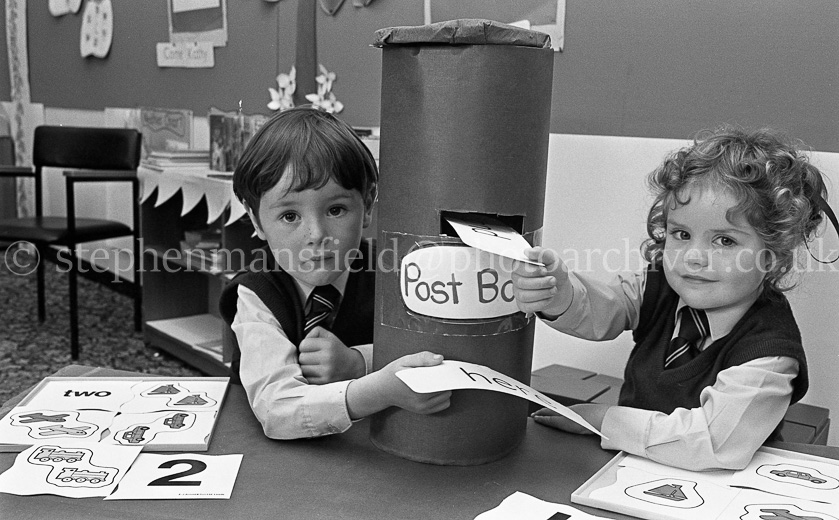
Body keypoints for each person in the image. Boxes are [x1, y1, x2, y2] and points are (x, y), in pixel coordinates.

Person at [512, 126, 834, 470]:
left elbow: (711, 441)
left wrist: (604, 419)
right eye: (681, 234)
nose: (693, 257)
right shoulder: (659, 286)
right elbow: (603, 308)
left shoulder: (770, 351)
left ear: (771, 257)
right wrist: (558, 294)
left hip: (720, 484)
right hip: (628, 465)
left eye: (725, 240)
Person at [219, 107, 450, 439]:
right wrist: (377, 390)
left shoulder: (397, 270)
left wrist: (359, 363)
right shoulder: (256, 293)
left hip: (377, 447)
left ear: (367, 205)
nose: (316, 234)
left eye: (336, 209)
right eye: (289, 216)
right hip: (275, 455)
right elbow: (276, 408)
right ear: (256, 220)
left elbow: (439, 348)